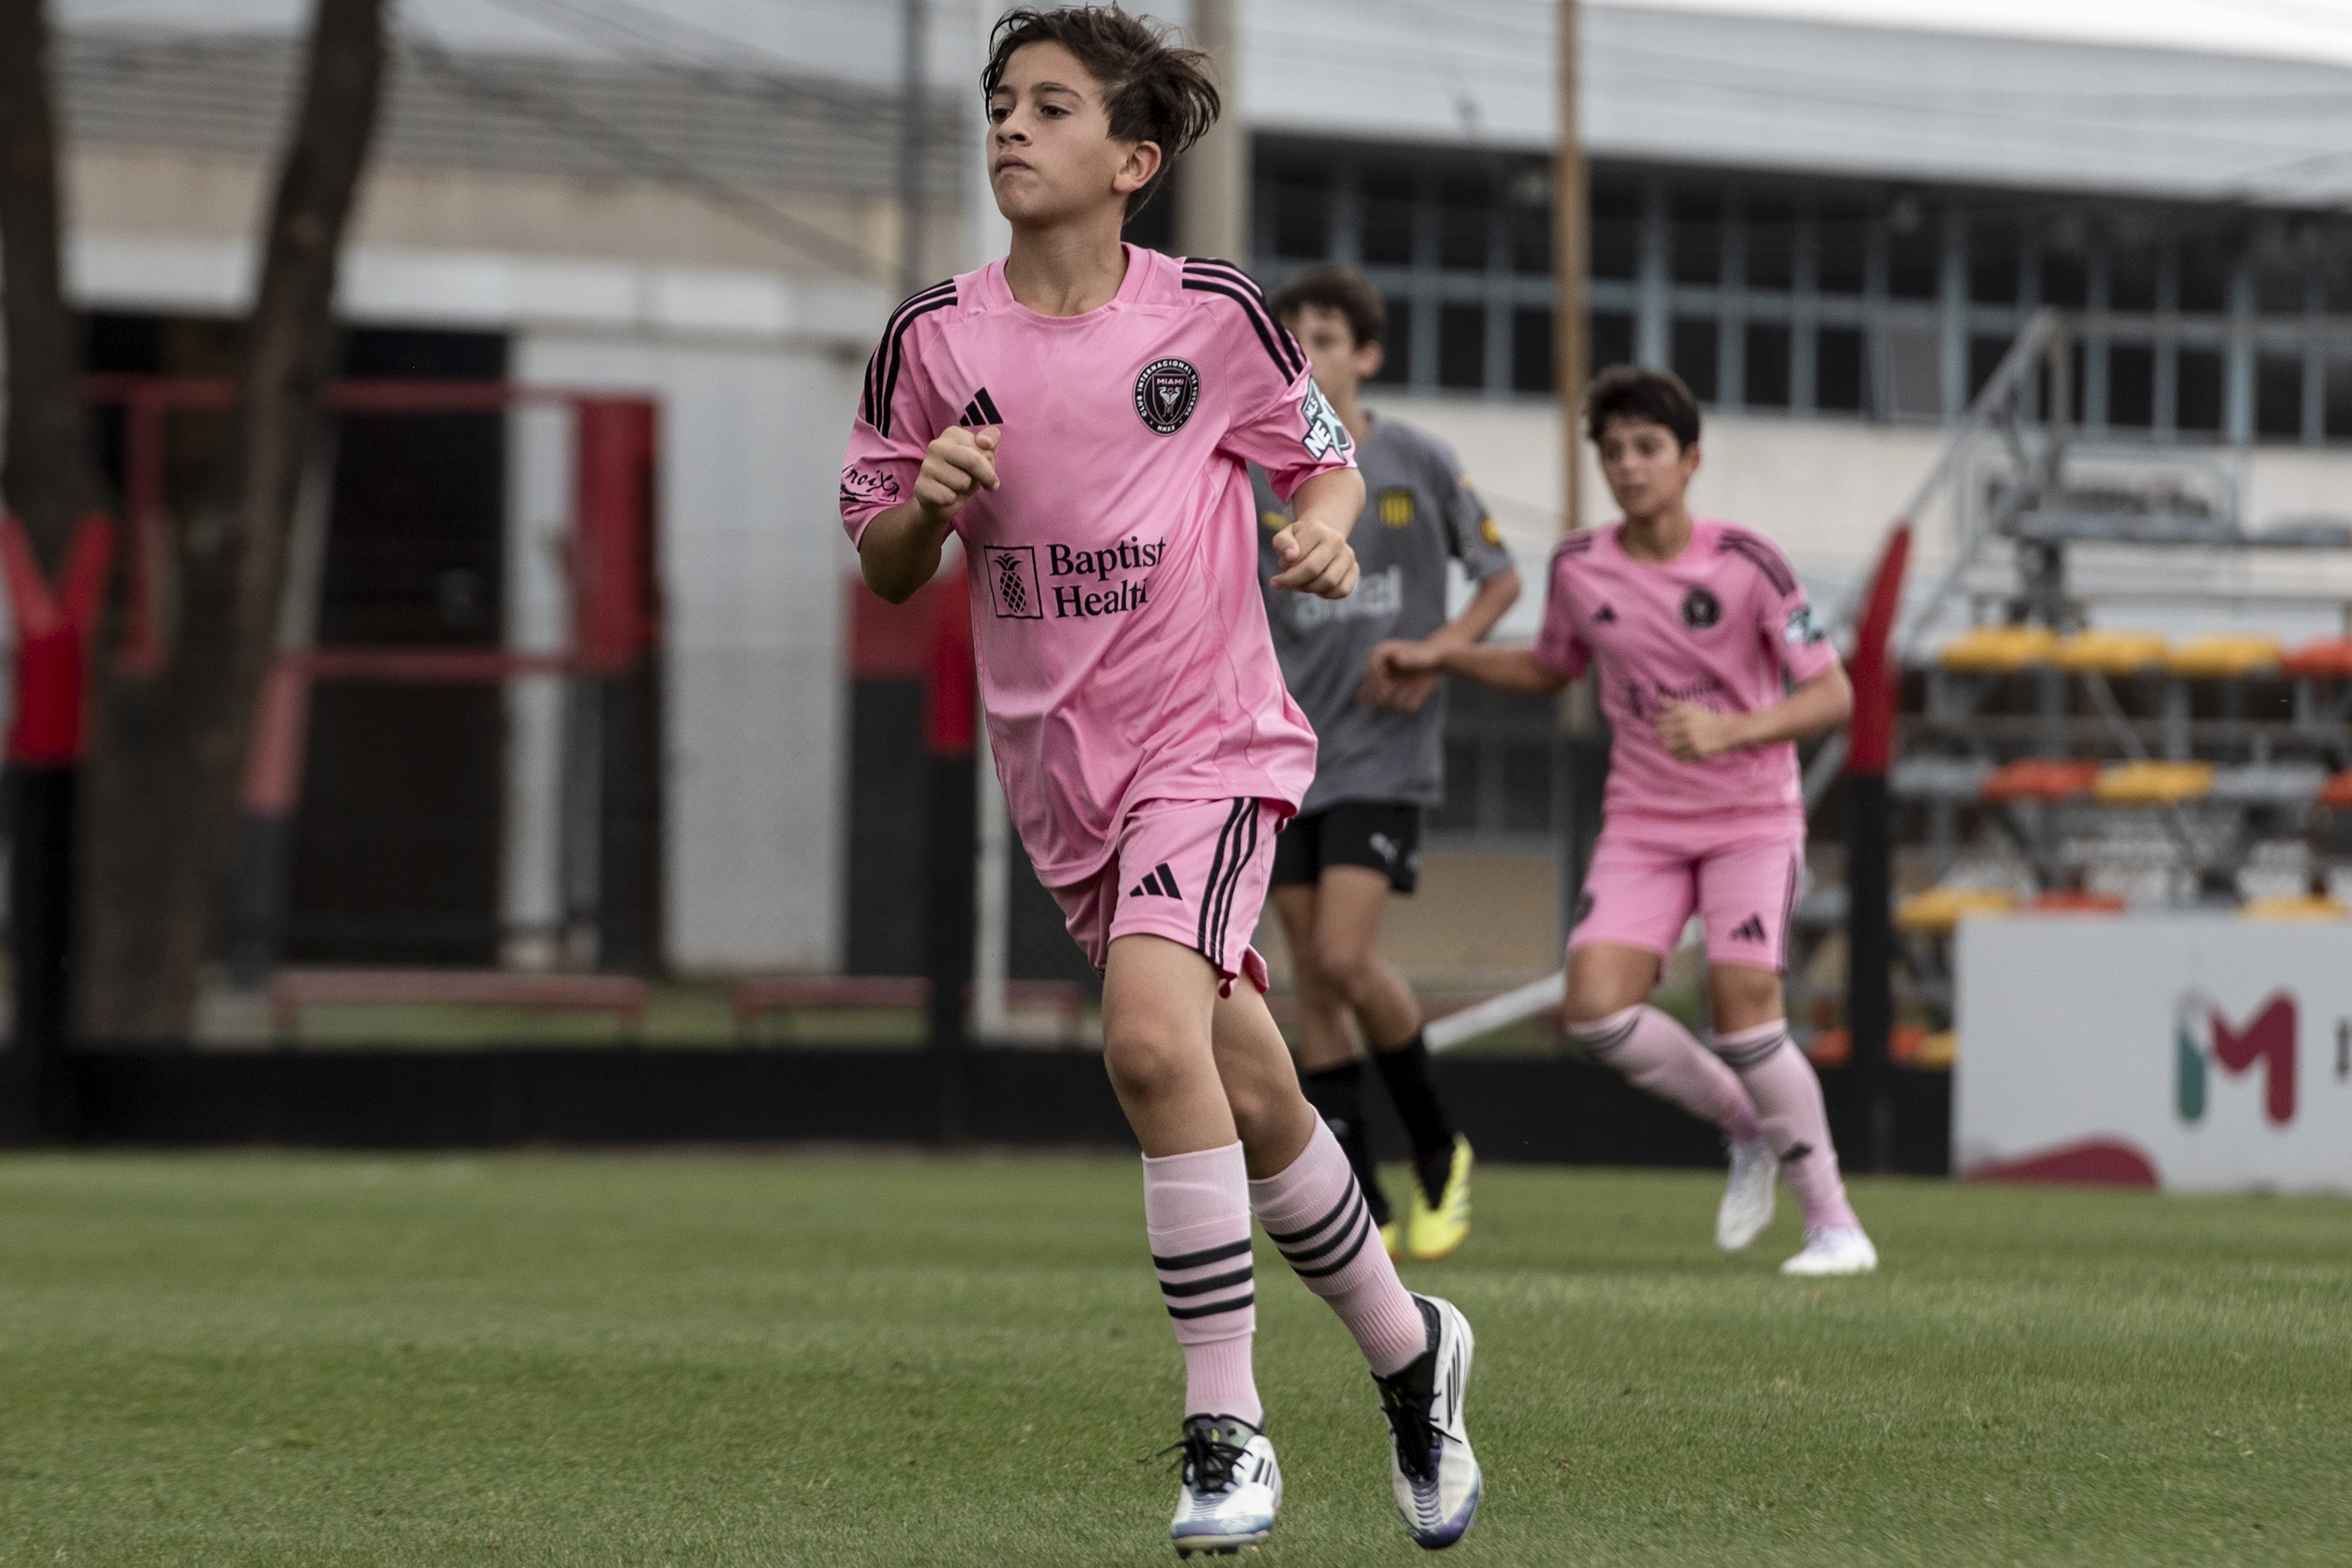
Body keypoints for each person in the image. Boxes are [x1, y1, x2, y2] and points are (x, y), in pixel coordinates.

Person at [839, 8, 1481, 1554]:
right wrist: (923, 505)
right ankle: (1414, 1351)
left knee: (1145, 1039)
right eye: (1000, 104)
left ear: (1131, 160)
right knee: (1247, 1083)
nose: (1010, 128)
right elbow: (881, 562)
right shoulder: (932, 338)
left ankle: (1225, 1421)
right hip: (1062, 775)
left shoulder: (1208, 314)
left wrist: (1325, 521)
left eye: (1050, 108)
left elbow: (1319, 455)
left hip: (1212, 744)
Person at [1375, 365, 1877, 1279]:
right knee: (1595, 1009)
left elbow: (1832, 691)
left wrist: (1733, 727)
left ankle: (1834, 1225)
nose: (1628, 466)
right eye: (1612, 452)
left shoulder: (1748, 562)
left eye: (1647, 448)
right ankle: (1745, 1123)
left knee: (1743, 1014)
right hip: (1643, 822)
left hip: (1750, 821)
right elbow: (1552, 666)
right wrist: (1448, 656)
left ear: (1689, 460)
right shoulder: (1579, 566)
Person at [1252, 266, 1520, 1265]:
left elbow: (1499, 579)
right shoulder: (1256, 473)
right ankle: (1357, 1190)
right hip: (1286, 754)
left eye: (1324, 338)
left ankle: (1440, 1148)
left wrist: (1438, 652)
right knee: (1312, 985)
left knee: (1340, 959)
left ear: (1365, 355)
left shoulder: (1413, 459)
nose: (1306, 355)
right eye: (1291, 340)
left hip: (1383, 751)